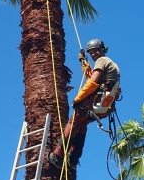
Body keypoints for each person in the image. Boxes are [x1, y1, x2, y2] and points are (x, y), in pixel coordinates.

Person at [48, 39, 120, 170]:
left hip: (94, 103)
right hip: (104, 107)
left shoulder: (102, 60)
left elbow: (92, 82)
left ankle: (58, 157)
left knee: (72, 123)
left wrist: (78, 99)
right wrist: (83, 62)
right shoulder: (110, 64)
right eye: (91, 53)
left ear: (102, 50)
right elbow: (92, 75)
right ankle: (73, 160)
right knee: (82, 125)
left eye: (95, 51)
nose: (93, 55)